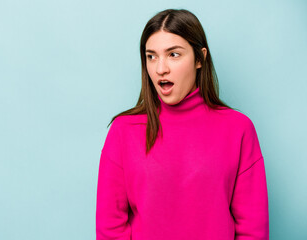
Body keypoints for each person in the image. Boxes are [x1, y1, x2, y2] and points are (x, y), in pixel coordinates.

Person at [96, 8, 269, 240]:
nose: (160, 68)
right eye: (151, 56)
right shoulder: (123, 131)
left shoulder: (238, 129)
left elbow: (253, 229)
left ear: (200, 58)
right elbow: (110, 229)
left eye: (173, 55)